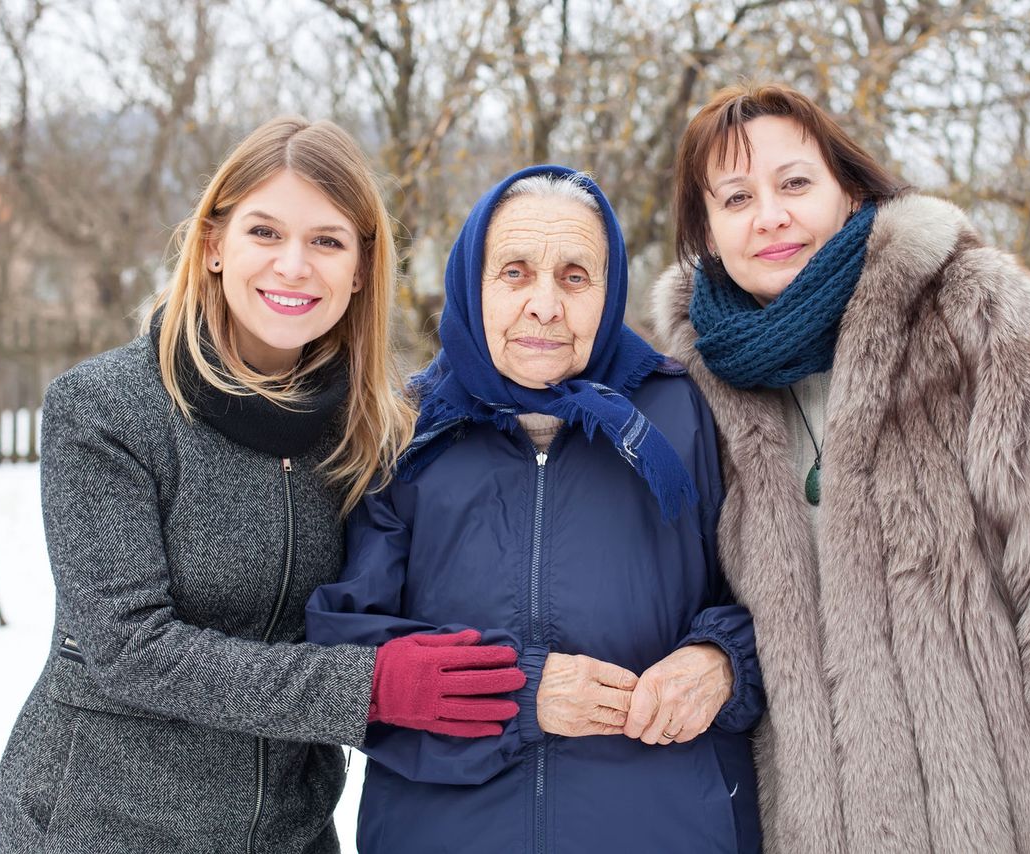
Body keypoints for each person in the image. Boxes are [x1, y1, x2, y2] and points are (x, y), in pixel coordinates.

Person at [651, 82, 1030, 853]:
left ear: (849, 191)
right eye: (736, 197)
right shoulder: (693, 392)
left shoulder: (984, 322)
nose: (771, 216)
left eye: (795, 183)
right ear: (708, 233)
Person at [0, 117, 525, 854]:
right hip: (104, 826)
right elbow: (130, 650)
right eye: (265, 232)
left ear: (362, 267)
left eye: (327, 241)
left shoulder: (376, 429)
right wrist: (368, 688)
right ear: (214, 245)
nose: (294, 266)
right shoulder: (108, 409)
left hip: (290, 833)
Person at [306, 165, 765, 854]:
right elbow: (345, 654)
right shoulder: (403, 428)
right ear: (472, 284)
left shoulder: (683, 413)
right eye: (515, 272)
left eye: (575, 276)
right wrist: (515, 691)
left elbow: (779, 599)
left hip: (661, 826)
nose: (545, 304)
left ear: (609, 295)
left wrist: (722, 659)